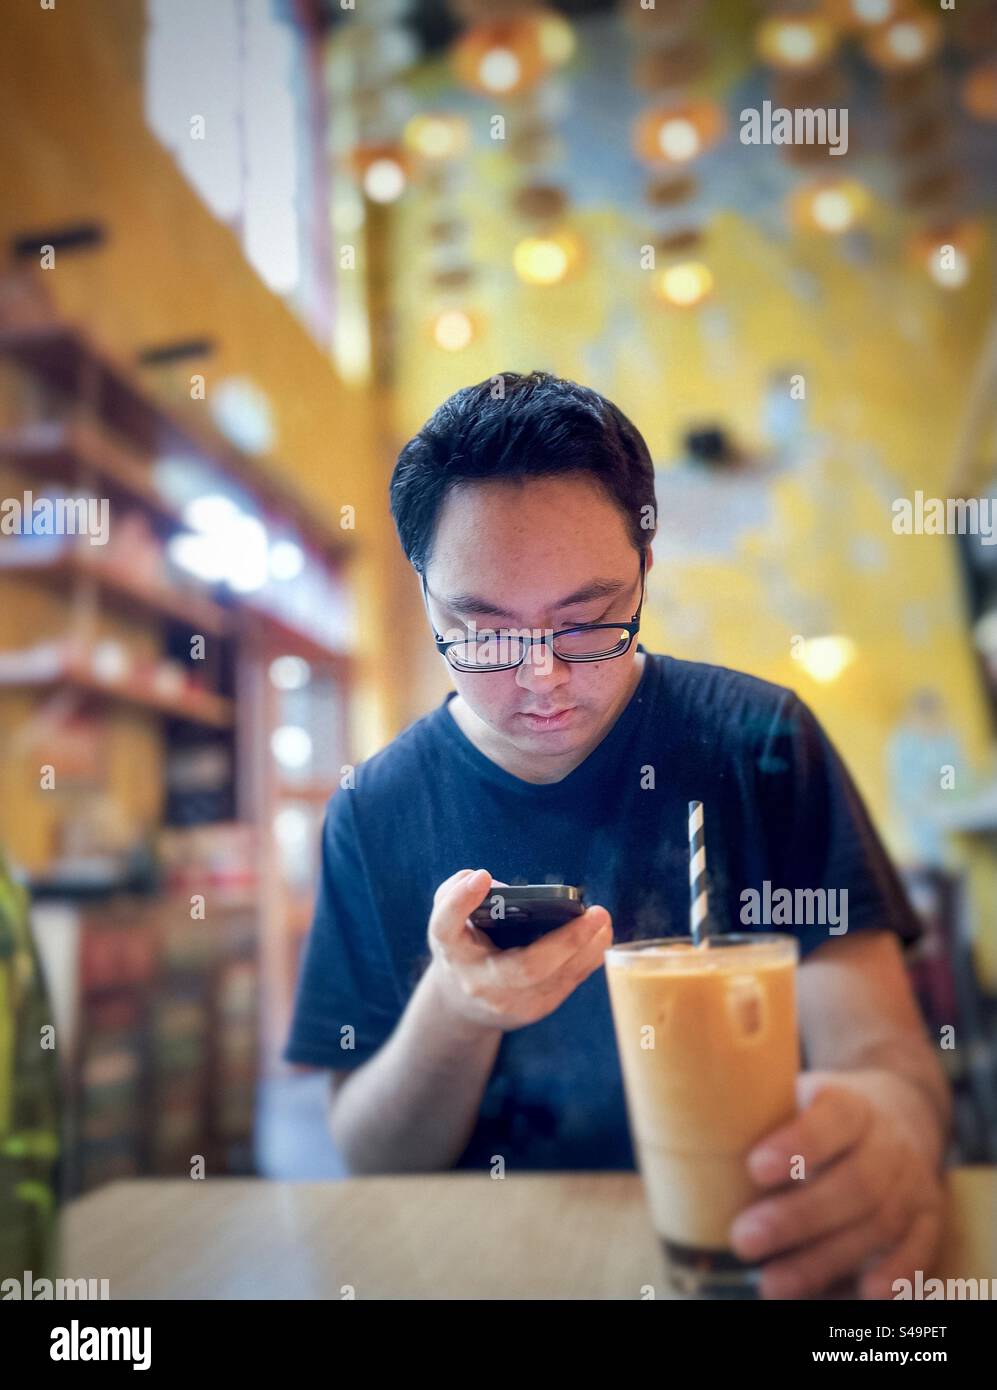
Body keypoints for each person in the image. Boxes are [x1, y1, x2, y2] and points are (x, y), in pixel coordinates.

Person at [284, 371, 951, 1300]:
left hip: (752, 1254)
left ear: (646, 562)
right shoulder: (374, 809)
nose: (543, 678)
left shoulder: (760, 744)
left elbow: (884, 1061)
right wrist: (459, 1005)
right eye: (479, 633)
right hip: (489, 1271)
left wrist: (890, 1131)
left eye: (589, 621)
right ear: (424, 593)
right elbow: (371, 1155)